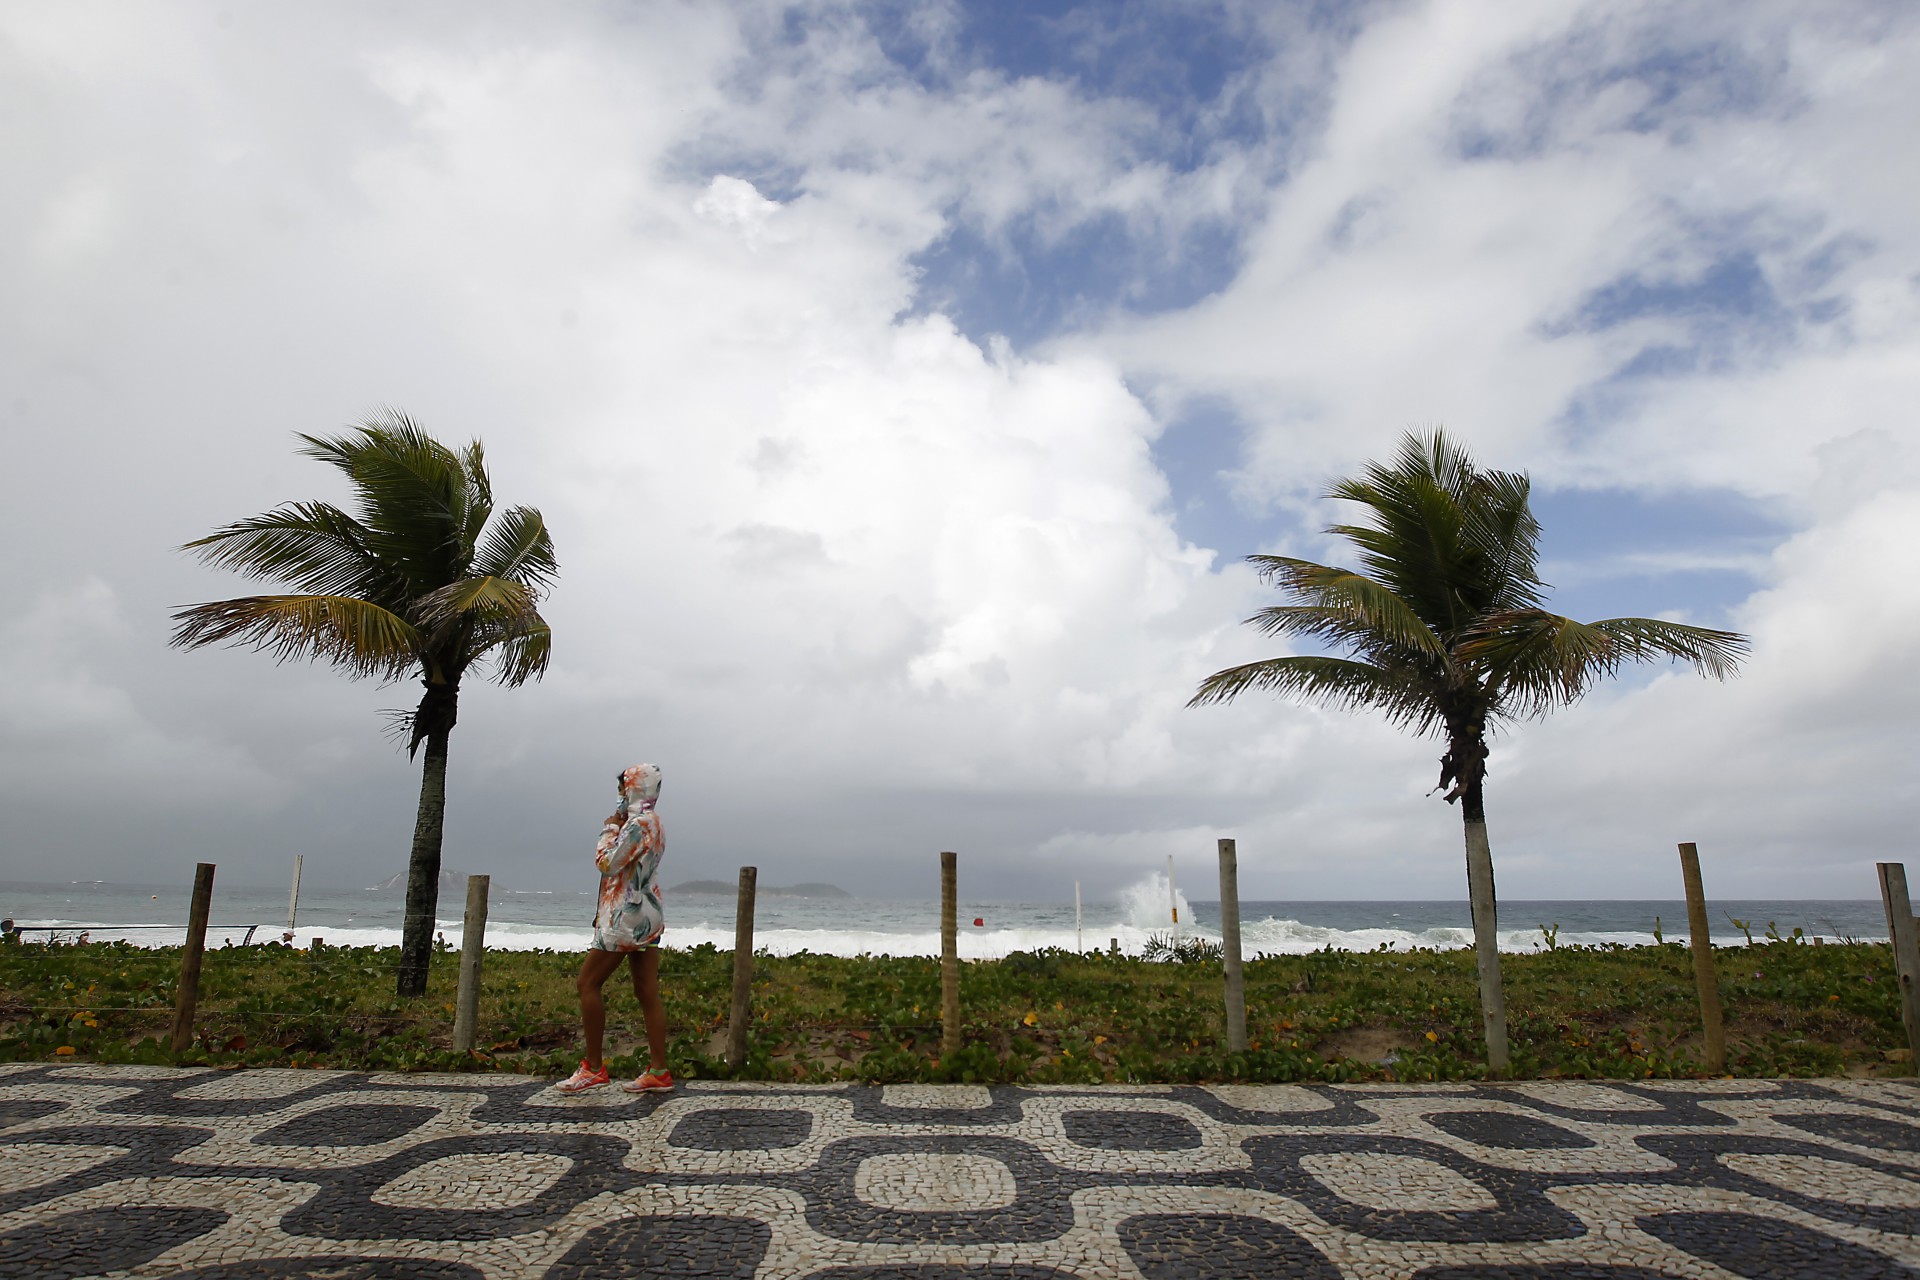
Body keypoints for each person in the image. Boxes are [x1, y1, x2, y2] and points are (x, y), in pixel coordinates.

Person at [557, 763, 673, 1094]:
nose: (620, 793)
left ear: (636, 788)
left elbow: (607, 862)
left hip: (625, 916)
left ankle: (593, 1067)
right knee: (646, 991)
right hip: (649, 912)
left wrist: (609, 829)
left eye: (623, 787)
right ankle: (659, 1070)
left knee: (587, 983)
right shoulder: (656, 823)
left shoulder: (636, 825)